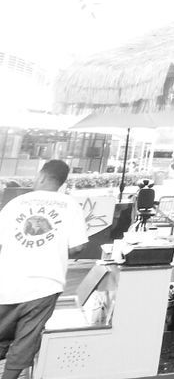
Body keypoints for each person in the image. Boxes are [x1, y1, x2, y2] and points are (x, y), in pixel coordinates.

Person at [0, 160, 89, 379]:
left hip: (7, 281)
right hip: (46, 283)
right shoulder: (70, 205)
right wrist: (54, 248)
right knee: (27, 338)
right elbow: (78, 245)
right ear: (62, 181)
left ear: (41, 176)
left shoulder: (16, 203)